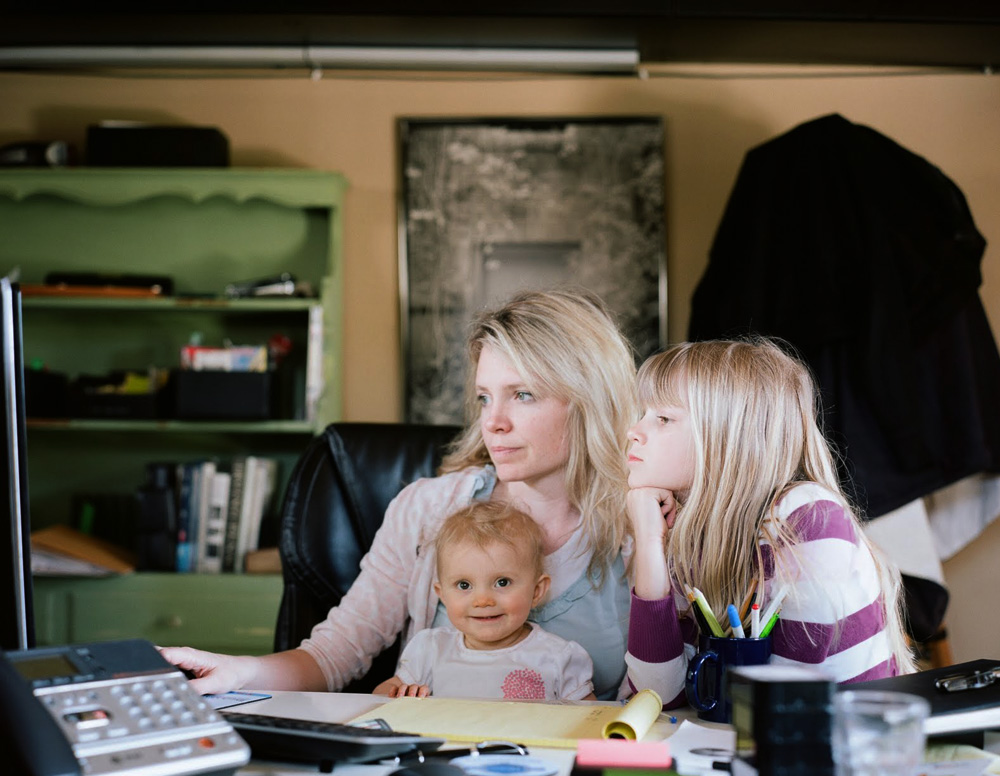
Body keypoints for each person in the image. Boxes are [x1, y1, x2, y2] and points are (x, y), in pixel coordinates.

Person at [160, 287, 637, 699]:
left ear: (589, 400)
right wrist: (242, 672)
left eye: (523, 394)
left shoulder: (639, 525)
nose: (493, 422)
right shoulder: (428, 510)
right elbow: (335, 652)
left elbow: (664, 697)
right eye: (484, 397)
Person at [622, 336, 915, 705]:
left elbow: (779, 707)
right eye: (643, 414)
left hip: (846, 736)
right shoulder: (682, 526)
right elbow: (660, 695)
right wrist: (650, 543)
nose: (634, 431)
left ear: (728, 434)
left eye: (663, 418)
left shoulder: (810, 520)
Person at [389, 500, 595, 700]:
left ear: (536, 591)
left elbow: (592, 717)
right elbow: (381, 697)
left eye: (502, 582)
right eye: (464, 585)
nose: (483, 600)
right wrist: (401, 694)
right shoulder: (431, 650)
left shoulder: (557, 657)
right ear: (442, 594)